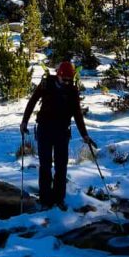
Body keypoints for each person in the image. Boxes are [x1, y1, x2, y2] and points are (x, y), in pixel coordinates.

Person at [20, 61, 97, 209]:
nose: (67, 82)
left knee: (61, 167)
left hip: (62, 131)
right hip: (44, 129)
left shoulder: (72, 91)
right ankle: (45, 200)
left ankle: (58, 199)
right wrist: (24, 122)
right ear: (59, 75)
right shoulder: (46, 84)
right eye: (65, 79)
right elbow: (32, 102)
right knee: (45, 165)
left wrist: (84, 135)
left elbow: (77, 114)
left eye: (70, 79)